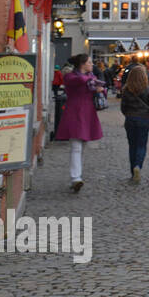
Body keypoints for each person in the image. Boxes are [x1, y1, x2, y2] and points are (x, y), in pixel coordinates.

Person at [54, 54, 105, 193]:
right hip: (75, 111)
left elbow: (100, 87)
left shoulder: (91, 77)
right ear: (82, 64)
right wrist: (95, 83)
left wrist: (99, 88)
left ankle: (77, 175)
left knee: (82, 145)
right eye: (89, 62)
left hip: (87, 112)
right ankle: (75, 177)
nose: (92, 65)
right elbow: (81, 80)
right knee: (76, 145)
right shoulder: (71, 77)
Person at [120, 64, 149, 183]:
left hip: (130, 119)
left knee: (132, 145)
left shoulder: (126, 89)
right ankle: (138, 166)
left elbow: (123, 107)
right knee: (141, 145)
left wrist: (127, 115)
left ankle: (133, 171)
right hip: (143, 119)